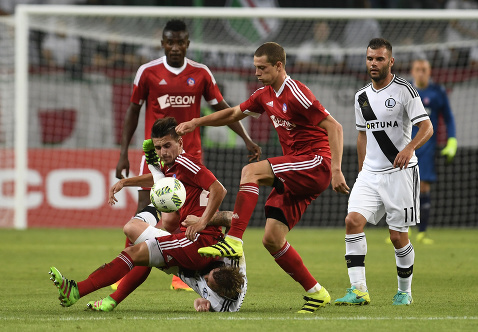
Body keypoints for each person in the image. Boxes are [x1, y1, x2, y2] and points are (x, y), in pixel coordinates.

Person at [176, 42, 350, 313]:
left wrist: (337, 169)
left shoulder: (296, 93)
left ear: (279, 66)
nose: (256, 72)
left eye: (262, 67)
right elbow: (234, 113)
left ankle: (233, 239)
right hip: (296, 170)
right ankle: (317, 292)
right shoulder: (264, 95)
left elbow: (335, 127)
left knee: (251, 171)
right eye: (255, 67)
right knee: (271, 238)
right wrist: (198, 122)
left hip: (316, 163)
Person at [114, 19, 260, 291]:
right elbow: (133, 110)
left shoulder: (201, 73)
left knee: (186, 215)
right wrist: (123, 153)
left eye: (180, 42)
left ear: (187, 44)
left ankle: (180, 273)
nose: (175, 47)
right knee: (143, 209)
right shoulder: (147, 72)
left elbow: (225, 109)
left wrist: (246, 138)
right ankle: (126, 269)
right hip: (156, 156)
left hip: (189, 156)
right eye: (170, 41)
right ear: (163, 43)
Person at [49, 117, 247, 312]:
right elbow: (159, 181)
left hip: (200, 242)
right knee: (135, 235)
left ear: (180, 142)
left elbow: (219, 189)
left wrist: (203, 222)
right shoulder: (174, 166)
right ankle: (109, 300)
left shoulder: (186, 162)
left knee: (135, 253)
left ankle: (77, 290)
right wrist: (125, 182)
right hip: (191, 240)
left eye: (167, 146)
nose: (163, 152)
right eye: (158, 148)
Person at [334, 38, 433, 306]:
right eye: (369, 59)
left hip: (399, 174)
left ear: (391, 61)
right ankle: (359, 290)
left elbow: (427, 128)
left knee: (397, 237)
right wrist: (361, 171)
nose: (373, 63)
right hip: (369, 175)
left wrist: (410, 148)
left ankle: (405, 292)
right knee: (352, 221)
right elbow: (362, 136)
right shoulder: (361, 97)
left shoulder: (405, 91)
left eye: (379, 59)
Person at [410, 59, 457, 244]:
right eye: (418, 69)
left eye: (424, 69)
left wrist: (452, 141)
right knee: (400, 189)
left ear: (430, 72)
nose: (421, 72)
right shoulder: (404, 91)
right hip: (404, 147)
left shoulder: (437, 93)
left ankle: (422, 232)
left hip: (427, 148)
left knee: (423, 187)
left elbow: (449, 118)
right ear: (412, 71)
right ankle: (399, 230)